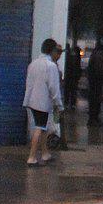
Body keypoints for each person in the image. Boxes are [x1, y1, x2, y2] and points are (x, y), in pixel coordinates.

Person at [23, 38, 64, 166]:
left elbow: (29, 83)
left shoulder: (33, 64)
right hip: (43, 102)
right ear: (52, 51)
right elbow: (54, 88)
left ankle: (45, 154)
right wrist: (59, 104)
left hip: (32, 100)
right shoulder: (50, 66)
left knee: (43, 127)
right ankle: (32, 157)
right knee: (39, 128)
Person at [86, 39, 103, 127]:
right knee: (95, 101)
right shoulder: (99, 55)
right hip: (96, 82)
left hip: (95, 82)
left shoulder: (97, 54)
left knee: (96, 101)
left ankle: (94, 118)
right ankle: (93, 119)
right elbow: (99, 70)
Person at [63, 42, 82, 113]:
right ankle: (72, 104)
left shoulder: (67, 56)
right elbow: (78, 67)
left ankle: (67, 103)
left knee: (68, 90)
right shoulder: (77, 57)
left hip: (69, 76)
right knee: (73, 91)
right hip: (74, 77)